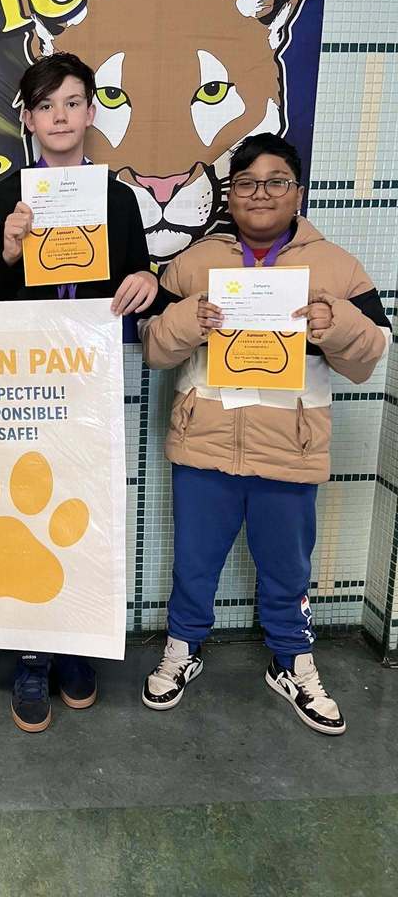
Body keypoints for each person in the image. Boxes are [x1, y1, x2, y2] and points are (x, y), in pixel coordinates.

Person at [139, 133, 391, 735]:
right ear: (231, 194)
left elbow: (371, 355)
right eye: (247, 183)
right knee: (194, 562)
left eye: (276, 182)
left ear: (297, 191)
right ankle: (183, 648)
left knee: (287, 567)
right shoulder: (195, 262)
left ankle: (293, 660)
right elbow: (152, 347)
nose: (260, 194)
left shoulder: (337, 265)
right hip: (203, 444)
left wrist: (338, 323)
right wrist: (183, 319)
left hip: (292, 445)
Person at [0, 51, 160, 732]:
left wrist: (148, 285)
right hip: (21, 382)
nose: (61, 116)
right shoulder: (6, 197)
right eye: (46, 105)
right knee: (26, 510)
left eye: (73, 102)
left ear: (91, 111)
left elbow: (138, 282)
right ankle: (32, 654)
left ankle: (78, 647)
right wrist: (13, 252)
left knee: (81, 512)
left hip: (90, 380)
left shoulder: (117, 198)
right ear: (28, 118)